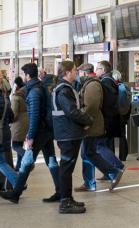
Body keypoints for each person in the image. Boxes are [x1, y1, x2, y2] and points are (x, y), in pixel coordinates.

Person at [0, 63, 60, 204]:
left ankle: (16, 194)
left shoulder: (34, 92)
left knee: (26, 163)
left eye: (24, 75)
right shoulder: (42, 87)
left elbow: (34, 116)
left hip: (39, 132)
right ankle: (60, 191)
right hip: (47, 131)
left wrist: (30, 136)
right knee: (51, 161)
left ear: (27, 76)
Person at [74, 63, 124, 192]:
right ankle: (90, 182)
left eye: (78, 72)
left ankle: (112, 171)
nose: (77, 75)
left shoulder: (92, 85)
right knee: (87, 153)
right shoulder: (91, 83)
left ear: (84, 73)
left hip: (91, 124)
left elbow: (91, 107)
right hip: (91, 123)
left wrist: (82, 121)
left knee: (88, 153)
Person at [51, 60, 93, 213]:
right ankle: (65, 202)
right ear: (67, 72)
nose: (77, 72)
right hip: (67, 134)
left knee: (67, 168)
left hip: (68, 133)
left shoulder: (66, 88)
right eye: (75, 70)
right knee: (66, 168)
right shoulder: (64, 90)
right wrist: (88, 121)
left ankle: (68, 198)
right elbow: (71, 111)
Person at [0, 78, 17, 189]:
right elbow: (11, 117)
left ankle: (17, 181)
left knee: (1, 162)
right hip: (5, 131)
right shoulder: (5, 99)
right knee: (2, 161)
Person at [10, 77, 28, 171]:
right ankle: (19, 166)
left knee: (15, 145)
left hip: (18, 125)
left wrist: (9, 121)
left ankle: (28, 157)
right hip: (25, 123)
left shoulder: (15, 97)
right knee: (19, 145)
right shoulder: (25, 95)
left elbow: (14, 114)